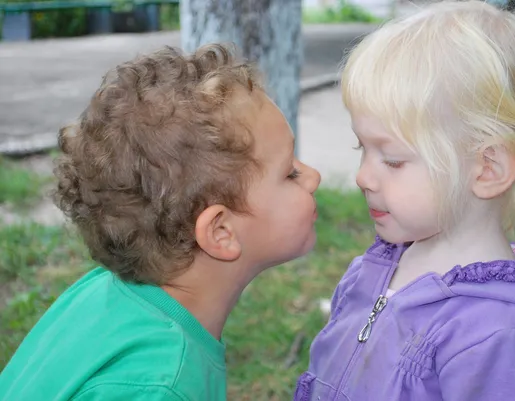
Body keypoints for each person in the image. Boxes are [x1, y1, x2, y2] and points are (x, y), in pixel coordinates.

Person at [295, 1, 515, 400]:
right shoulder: (375, 269)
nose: (363, 176)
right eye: (361, 148)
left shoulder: (498, 337)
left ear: (487, 168)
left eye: (392, 160)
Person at [0, 44, 321, 400]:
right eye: (290, 173)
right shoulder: (162, 385)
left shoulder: (102, 293)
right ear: (220, 231)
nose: (314, 177)